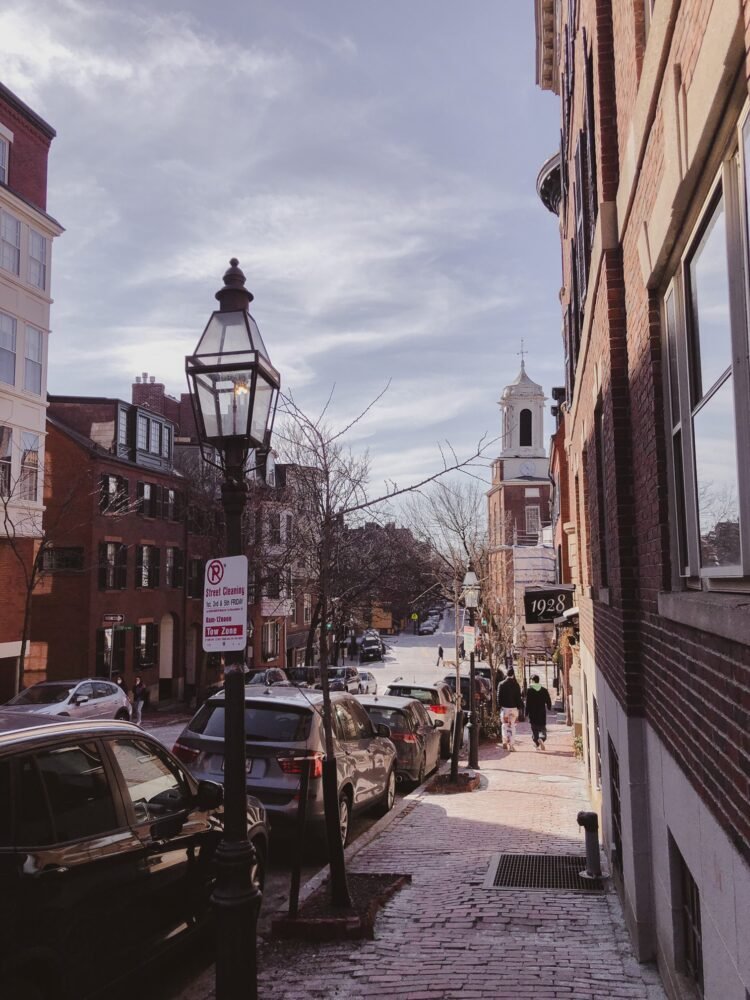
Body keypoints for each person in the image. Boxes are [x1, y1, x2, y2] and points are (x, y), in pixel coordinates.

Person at [497, 668, 522, 751]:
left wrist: (499, 706)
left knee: (504, 725)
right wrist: (519, 707)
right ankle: (511, 745)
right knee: (512, 726)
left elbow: (498, 697)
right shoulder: (516, 684)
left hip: (505, 709)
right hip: (514, 709)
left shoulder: (501, 684)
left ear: (506, 674)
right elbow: (518, 698)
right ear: (513, 674)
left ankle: (504, 740)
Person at [525, 674, 552, 750]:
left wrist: (526, 713)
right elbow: (548, 700)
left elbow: (527, 703)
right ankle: (542, 739)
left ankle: (537, 741)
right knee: (542, 728)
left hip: (533, 713)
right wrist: (549, 707)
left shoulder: (529, 690)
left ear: (533, 681)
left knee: (534, 730)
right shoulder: (544, 690)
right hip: (541, 712)